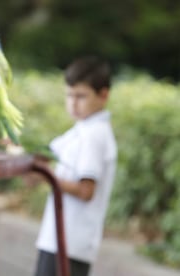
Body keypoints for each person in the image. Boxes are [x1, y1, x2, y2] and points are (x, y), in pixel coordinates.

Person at [34, 56, 117, 276]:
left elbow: (85, 190)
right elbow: (41, 154)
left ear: (103, 95)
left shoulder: (94, 135)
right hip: (58, 240)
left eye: (81, 96)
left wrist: (47, 176)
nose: (73, 103)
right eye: (69, 95)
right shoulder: (79, 130)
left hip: (70, 244)